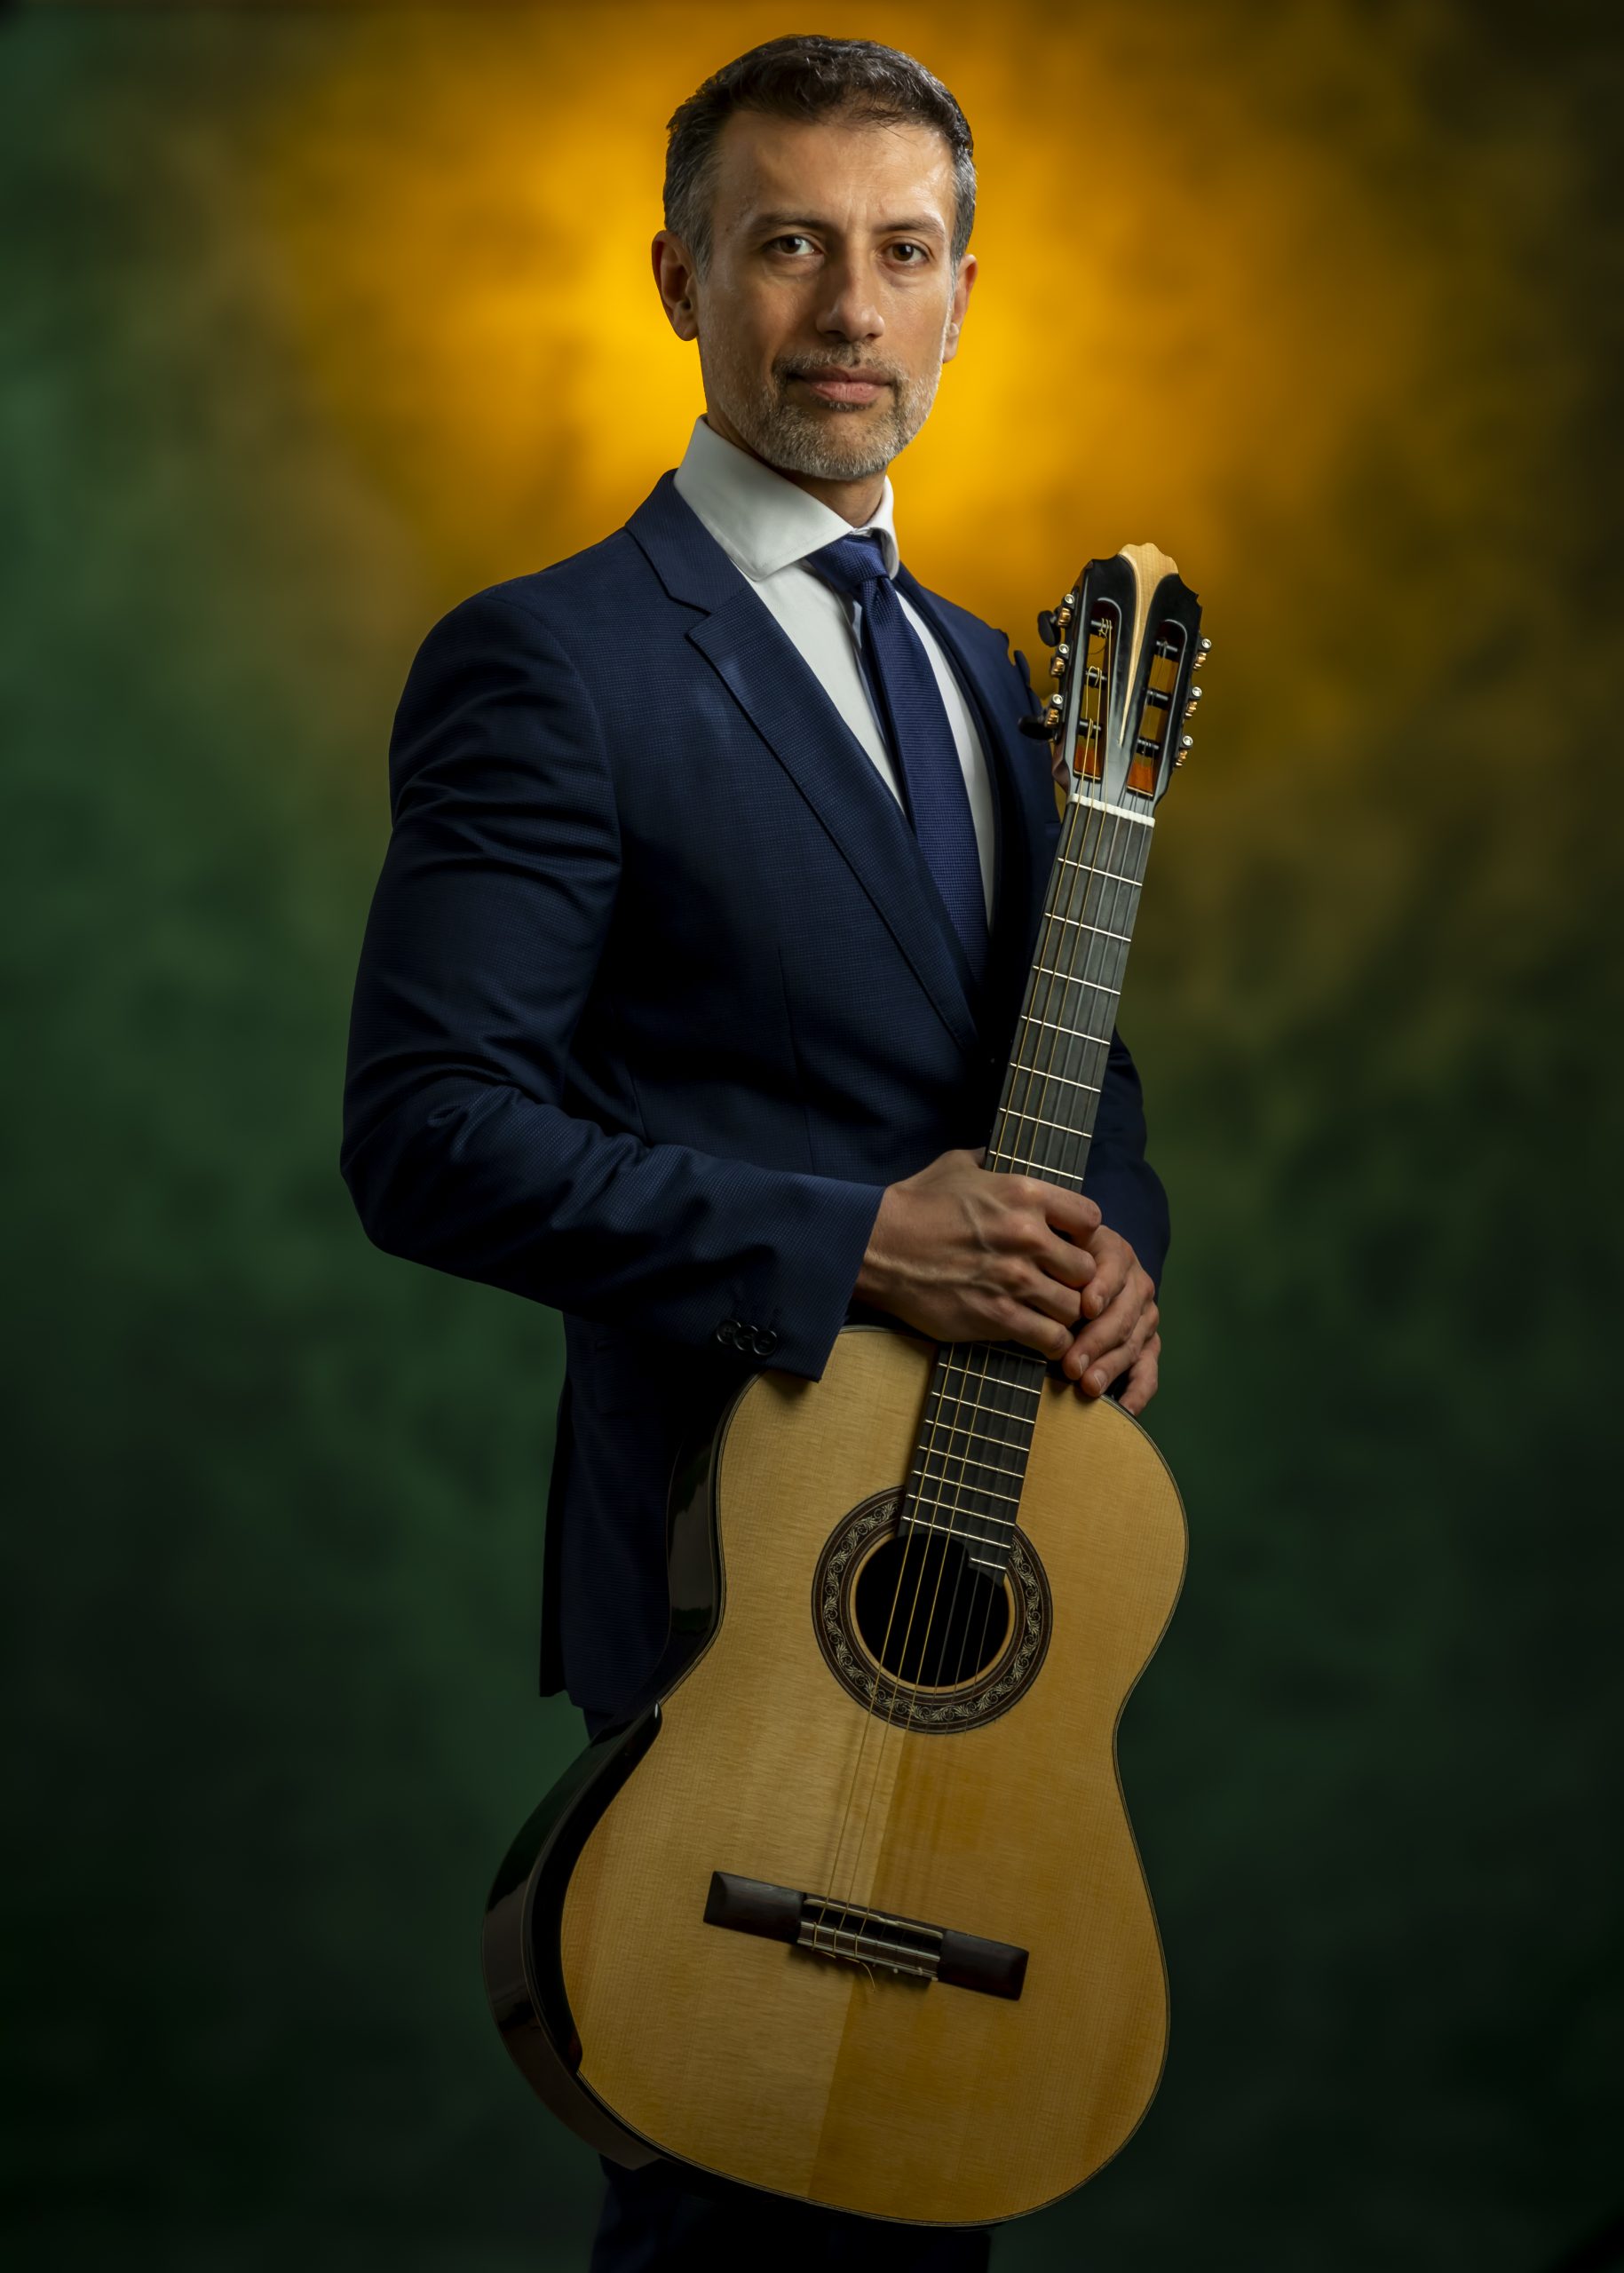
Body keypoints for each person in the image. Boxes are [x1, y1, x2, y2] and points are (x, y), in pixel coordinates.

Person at [342, 33, 1168, 2271]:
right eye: (789, 244)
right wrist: (856, 1240)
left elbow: (1078, 1095)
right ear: (680, 278)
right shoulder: (555, 663)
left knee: (921, 2221)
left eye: (902, 251)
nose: (849, 310)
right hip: (739, 1593)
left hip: (978, 1589)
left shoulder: (1009, 686)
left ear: (967, 290)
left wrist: (1113, 1253)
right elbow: (429, 1135)